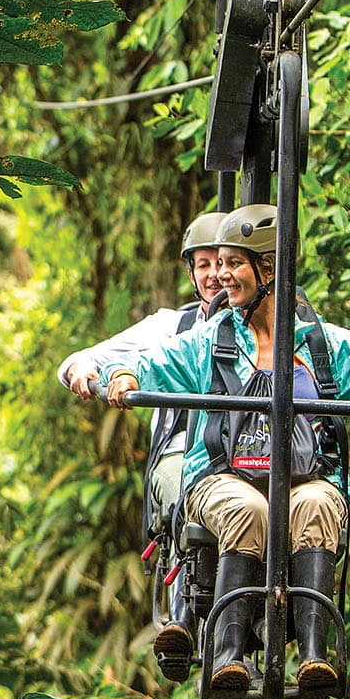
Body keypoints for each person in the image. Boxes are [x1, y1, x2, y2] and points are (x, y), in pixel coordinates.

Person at [102, 204, 350, 699]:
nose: (223, 276)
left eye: (235, 263)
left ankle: (316, 654)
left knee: (319, 505)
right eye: (219, 263)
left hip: (303, 475)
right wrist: (126, 376)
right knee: (249, 509)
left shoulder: (318, 342)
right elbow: (157, 364)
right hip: (224, 478)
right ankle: (227, 654)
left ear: (269, 268)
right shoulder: (214, 339)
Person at [59, 210, 226, 519]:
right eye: (204, 265)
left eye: (223, 263)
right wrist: (83, 371)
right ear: (191, 275)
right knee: (191, 500)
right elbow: (85, 359)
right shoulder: (172, 328)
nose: (215, 275)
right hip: (185, 452)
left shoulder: (266, 328)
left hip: (247, 453)